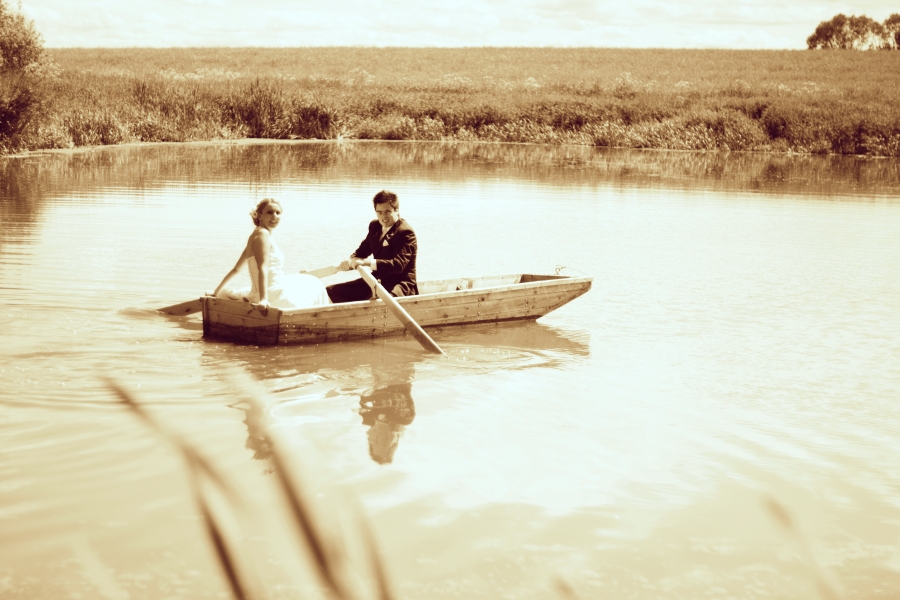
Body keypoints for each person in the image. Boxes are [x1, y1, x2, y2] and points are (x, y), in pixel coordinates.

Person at [213, 198, 330, 310]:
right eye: (269, 212)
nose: (274, 216)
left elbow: (236, 269)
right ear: (259, 215)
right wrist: (263, 300)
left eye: (278, 213)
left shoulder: (256, 235)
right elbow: (262, 268)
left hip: (263, 290)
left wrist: (216, 292)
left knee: (305, 280)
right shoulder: (262, 234)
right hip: (271, 293)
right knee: (314, 284)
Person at [326, 190, 418, 303]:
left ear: (396, 210)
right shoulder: (375, 226)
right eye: (379, 212)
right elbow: (362, 251)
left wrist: (366, 262)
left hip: (400, 284)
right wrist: (351, 260)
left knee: (378, 302)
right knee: (330, 291)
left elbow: (398, 266)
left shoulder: (405, 232)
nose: (383, 216)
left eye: (387, 211)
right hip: (377, 280)